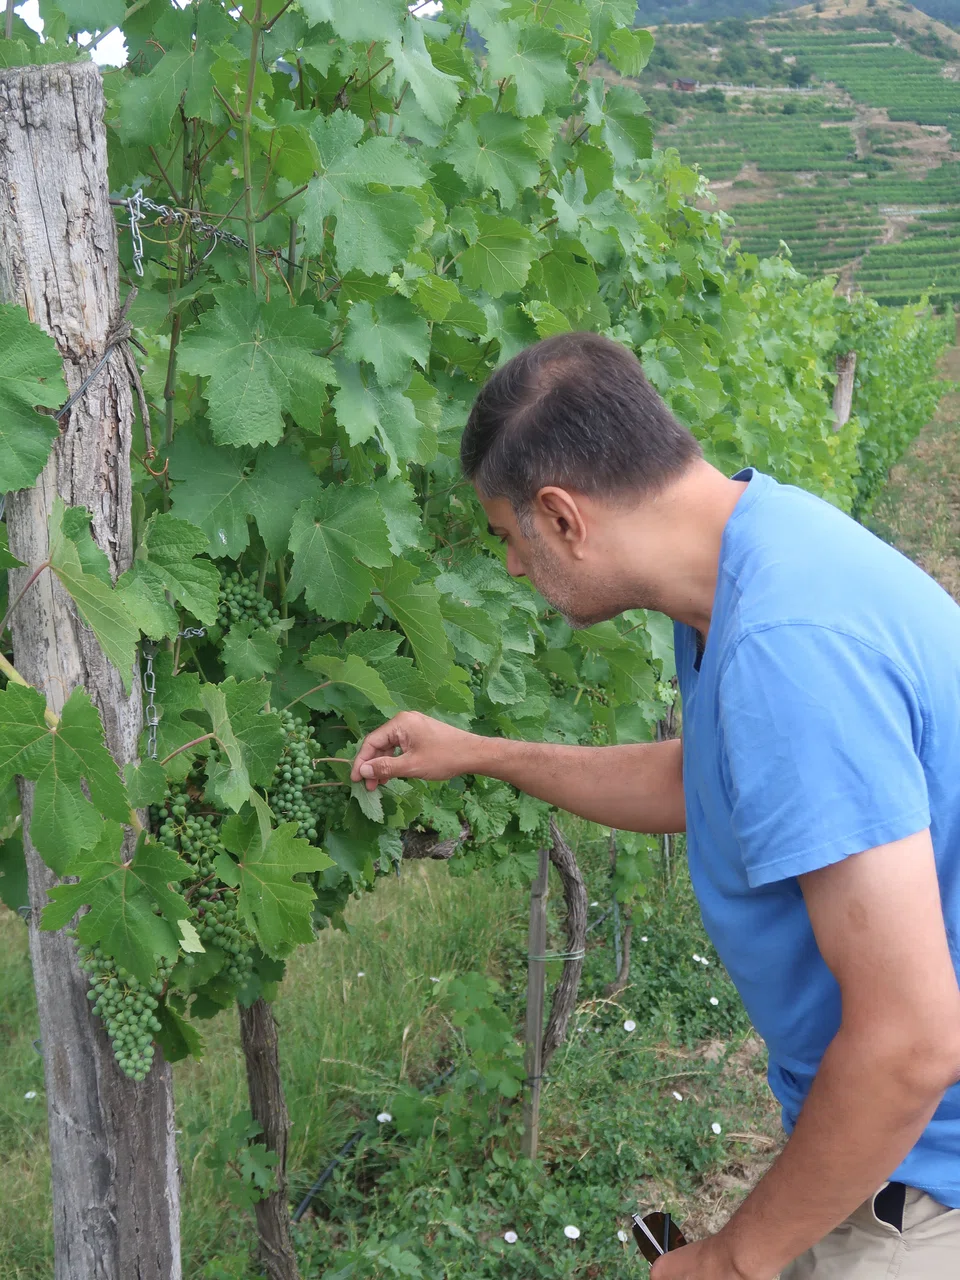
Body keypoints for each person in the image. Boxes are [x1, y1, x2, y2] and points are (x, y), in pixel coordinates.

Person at [349, 330, 960, 1279]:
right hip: (892, 1149)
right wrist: (480, 752)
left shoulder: (787, 644)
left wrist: (730, 1261)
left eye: (508, 538)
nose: (512, 569)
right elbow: (704, 779)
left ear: (561, 516)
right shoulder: (748, 561)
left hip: (928, 1187)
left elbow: (913, 1040)